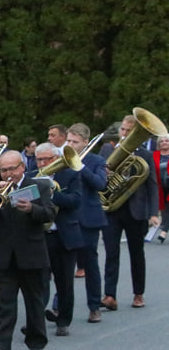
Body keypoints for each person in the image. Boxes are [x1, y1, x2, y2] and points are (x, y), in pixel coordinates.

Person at [0, 151, 54, 350]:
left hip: (31, 252)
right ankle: (2, 346)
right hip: (4, 253)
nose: (8, 174)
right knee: (6, 302)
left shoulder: (39, 186)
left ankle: (36, 340)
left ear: (22, 167)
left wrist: (32, 208)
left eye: (12, 169)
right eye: (3, 170)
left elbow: (50, 213)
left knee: (34, 300)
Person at [101, 114, 160, 310]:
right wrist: (105, 174)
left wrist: (153, 212)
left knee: (137, 254)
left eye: (129, 131)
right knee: (111, 253)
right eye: (123, 130)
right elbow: (98, 180)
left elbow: (152, 185)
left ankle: (138, 294)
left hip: (136, 211)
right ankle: (109, 295)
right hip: (112, 209)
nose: (124, 134)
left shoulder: (145, 154)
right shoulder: (107, 149)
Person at [33, 143, 82, 337]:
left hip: (63, 235)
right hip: (40, 236)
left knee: (65, 282)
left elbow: (76, 201)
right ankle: (36, 323)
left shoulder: (69, 173)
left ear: (56, 159)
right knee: (39, 282)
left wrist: (52, 193)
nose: (43, 163)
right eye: (39, 160)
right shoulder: (31, 176)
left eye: (48, 159)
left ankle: (64, 321)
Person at [66, 124, 107, 323]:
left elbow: (100, 184)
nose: (70, 145)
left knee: (90, 265)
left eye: (74, 142)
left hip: (88, 218)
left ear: (85, 142)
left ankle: (94, 306)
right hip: (67, 217)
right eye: (68, 141)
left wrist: (80, 166)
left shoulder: (96, 160)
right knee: (64, 266)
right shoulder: (62, 159)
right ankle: (60, 307)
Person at [153, 135, 169, 242]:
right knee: (164, 209)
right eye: (161, 141)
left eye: (166, 141)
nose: (164, 142)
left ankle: (163, 231)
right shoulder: (154, 155)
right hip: (159, 186)